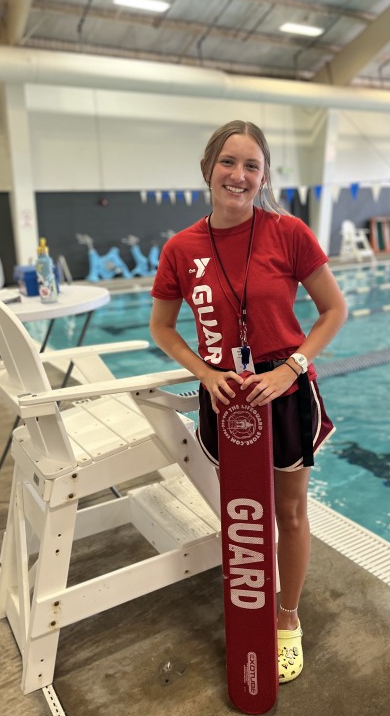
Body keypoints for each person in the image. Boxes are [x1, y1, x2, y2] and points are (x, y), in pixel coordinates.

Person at [150, 119, 347, 683]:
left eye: (252, 165)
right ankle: (249, 602)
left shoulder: (287, 232)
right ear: (209, 168)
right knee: (244, 518)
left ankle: (287, 617)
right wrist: (205, 374)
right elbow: (163, 328)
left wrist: (292, 367)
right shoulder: (182, 248)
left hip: (282, 389)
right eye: (229, 163)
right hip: (227, 396)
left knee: (288, 512)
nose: (239, 175)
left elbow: (334, 310)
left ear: (263, 177)